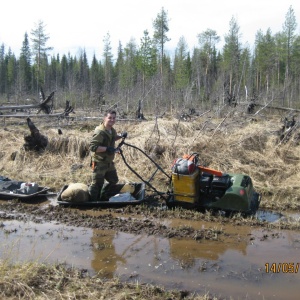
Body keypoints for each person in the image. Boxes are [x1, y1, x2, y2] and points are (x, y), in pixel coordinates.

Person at [88, 109, 127, 201]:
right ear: (105, 118)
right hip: (99, 162)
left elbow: (112, 139)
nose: (112, 120)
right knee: (97, 184)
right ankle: (92, 203)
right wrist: (107, 149)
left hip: (109, 162)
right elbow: (93, 147)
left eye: (114, 118)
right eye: (110, 118)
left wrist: (121, 136)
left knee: (113, 180)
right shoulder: (100, 132)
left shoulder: (111, 130)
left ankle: (103, 197)